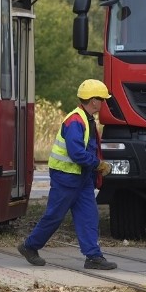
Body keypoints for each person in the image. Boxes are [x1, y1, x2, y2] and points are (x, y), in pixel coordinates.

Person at [18, 79, 118, 270]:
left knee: (89, 217)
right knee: (54, 216)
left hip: (82, 179)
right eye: (102, 99)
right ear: (94, 101)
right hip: (66, 178)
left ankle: (93, 257)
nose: (104, 103)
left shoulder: (86, 119)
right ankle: (29, 246)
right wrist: (98, 164)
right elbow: (76, 153)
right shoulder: (75, 121)